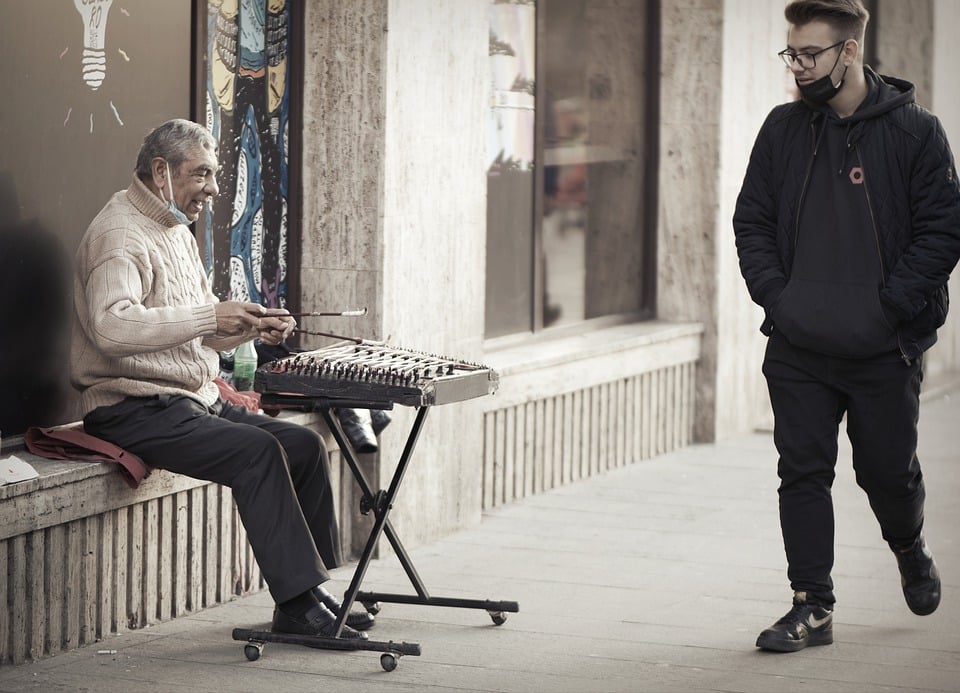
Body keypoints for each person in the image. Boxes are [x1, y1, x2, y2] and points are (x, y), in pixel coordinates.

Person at [71, 118, 375, 639]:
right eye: (203, 175)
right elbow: (112, 325)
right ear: (161, 171)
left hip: (189, 399)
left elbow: (195, 331)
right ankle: (300, 606)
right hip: (131, 409)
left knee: (302, 445)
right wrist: (212, 318)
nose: (213, 189)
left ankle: (314, 589)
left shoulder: (174, 228)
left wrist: (248, 326)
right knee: (258, 453)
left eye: (215, 175)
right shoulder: (119, 234)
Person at [734, 0, 960, 653]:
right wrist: (780, 298)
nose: (797, 66)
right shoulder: (781, 130)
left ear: (850, 51)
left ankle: (909, 546)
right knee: (802, 470)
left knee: (886, 472)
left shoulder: (916, 133)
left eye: (810, 54)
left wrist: (888, 307)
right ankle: (813, 604)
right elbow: (751, 220)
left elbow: (944, 228)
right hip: (799, 343)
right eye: (792, 54)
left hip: (880, 347)